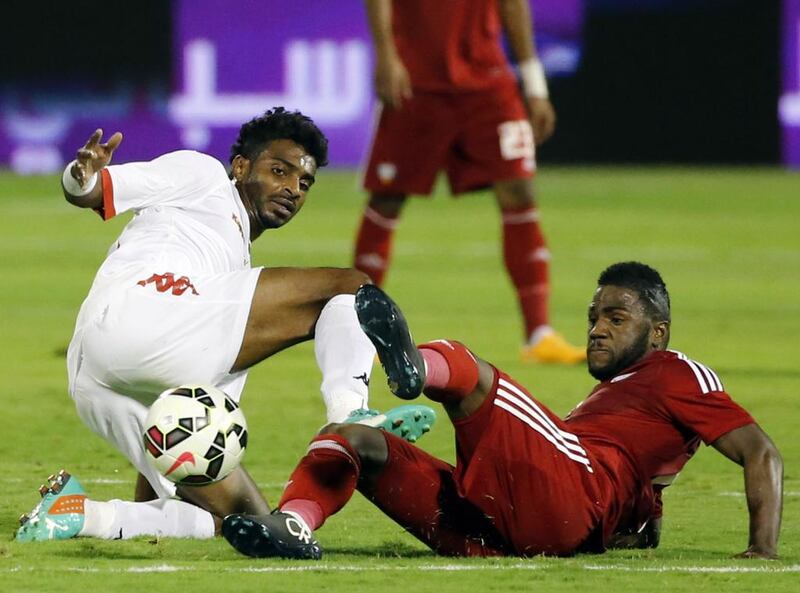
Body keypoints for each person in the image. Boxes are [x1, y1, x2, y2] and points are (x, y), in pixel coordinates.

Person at [15, 107, 435, 543]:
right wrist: (78, 175)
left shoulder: (228, 278)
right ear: (240, 166)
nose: (292, 188)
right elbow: (93, 189)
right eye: (279, 171)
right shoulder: (205, 177)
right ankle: (351, 416)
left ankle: (80, 513)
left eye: (304, 182)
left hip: (97, 380)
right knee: (349, 288)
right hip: (144, 314)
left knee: (244, 521)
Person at [222, 263, 783, 560]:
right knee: (351, 439)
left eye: (616, 318)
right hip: (496, 527)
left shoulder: (679, 371)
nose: (596, 328)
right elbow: (642, 490)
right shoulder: (615, 396)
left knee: (479, 376)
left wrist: (762, 549)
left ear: (658, 334)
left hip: (573, 491)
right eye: (593, 316)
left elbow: (760, 452)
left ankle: (414, 368)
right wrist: (639, 524)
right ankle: (293, 525)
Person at [353, 0, 583, 364]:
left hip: (487, 82)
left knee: (519, 188)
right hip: (415, 81)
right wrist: (386, 54)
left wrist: (535, 85)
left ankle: (540, 334)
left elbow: (513, 5)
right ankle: (359, 331)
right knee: (387, 198)